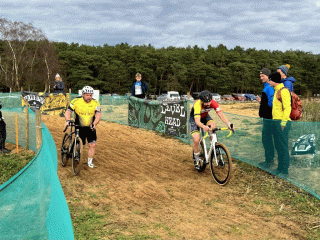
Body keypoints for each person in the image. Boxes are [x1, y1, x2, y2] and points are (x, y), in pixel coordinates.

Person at [189, 90, 233, 169]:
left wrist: (228, 124)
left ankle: (214, 147)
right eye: (206, 103)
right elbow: (197, 122)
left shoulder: (213, 102)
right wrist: (203, 127)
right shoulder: (197, 105)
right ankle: (196, 157)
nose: (208, 104)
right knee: (196, 139)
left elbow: (221, 115)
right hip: (195, 118)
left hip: (205, 116)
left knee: (213, 127)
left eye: (209, 102)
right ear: (201, 101)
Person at [64, 86, 101, 168]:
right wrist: (67, 120)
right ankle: (76, 156)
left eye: (91, 95)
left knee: (92, 145)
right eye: (87, 95)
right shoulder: (76, 101)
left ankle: (89, 162)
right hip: (79, 126)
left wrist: (94, 123)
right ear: (83, 94)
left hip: (90, 126)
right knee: (82, 145)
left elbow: (98, 115)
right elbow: (68, 112)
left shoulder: (96, 103)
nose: (89, 97)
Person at [268, 72, 292, 177]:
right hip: (276, 122)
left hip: (283, 123)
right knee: (278, 146)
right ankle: (280, 168)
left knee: (283, 146)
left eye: (269, 80)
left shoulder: (283, 91)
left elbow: (288, 107)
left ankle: (285, 170)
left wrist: (283, 123)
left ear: (273, 81)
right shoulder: (276, 90)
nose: (268, 82)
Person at [257, 68, 275, 168]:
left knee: (267, 139)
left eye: (263, 76)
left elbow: (272, 103)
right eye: (260, 76)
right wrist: (261, 102)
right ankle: (269, 160)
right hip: (267, 117)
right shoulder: (266, 87)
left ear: (268, 76)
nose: (261, 78)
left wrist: (264, 105)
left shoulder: (269, 86)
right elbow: (267, 102)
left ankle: (269, 161)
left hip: (269, 118)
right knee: (266, 139)